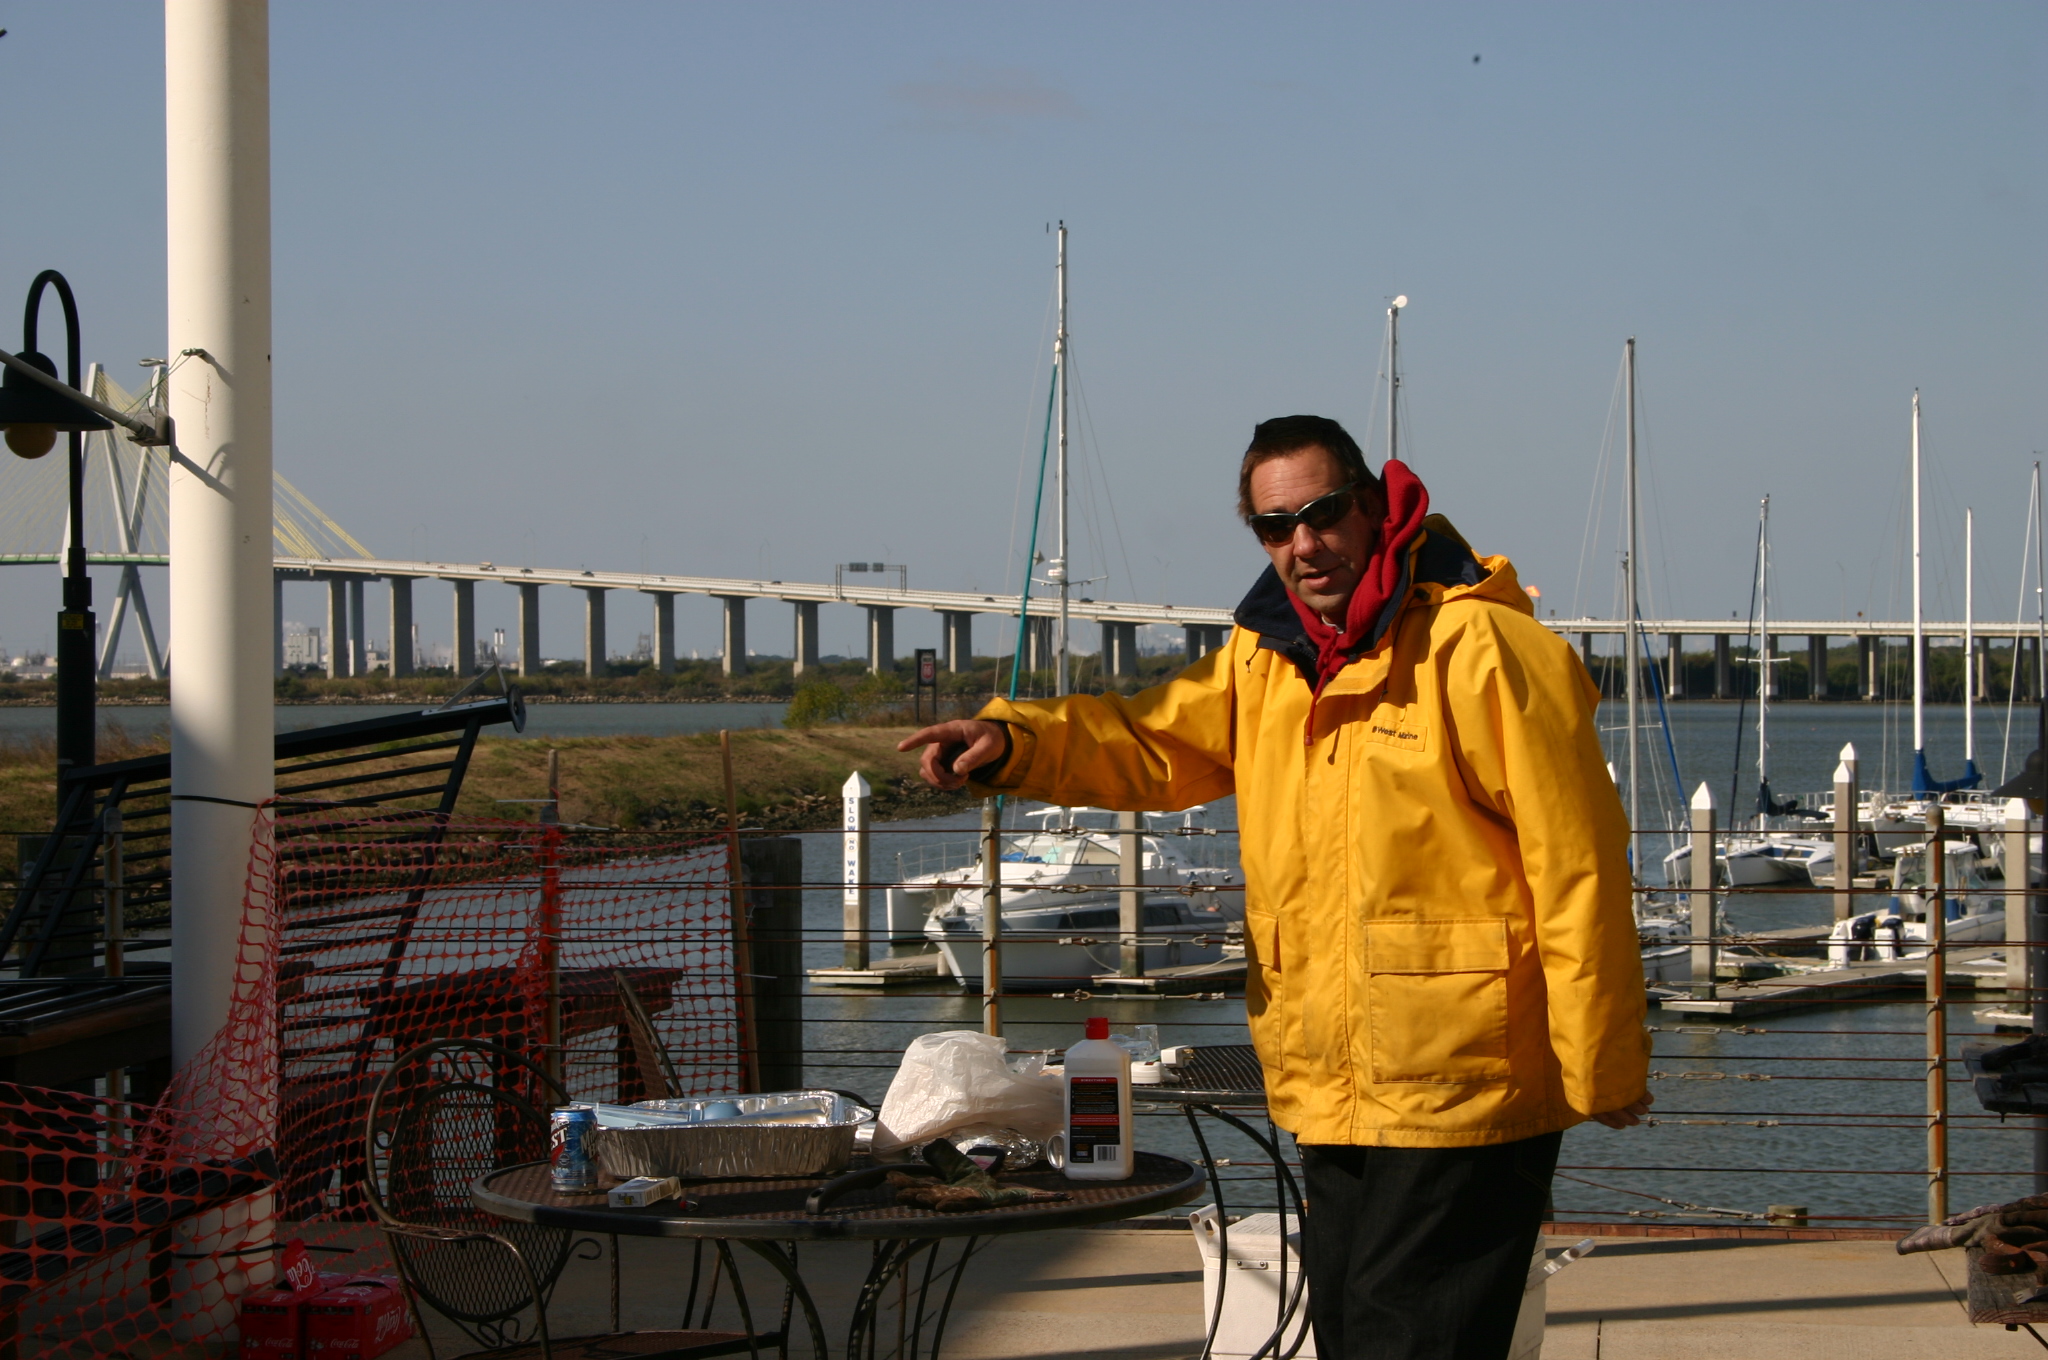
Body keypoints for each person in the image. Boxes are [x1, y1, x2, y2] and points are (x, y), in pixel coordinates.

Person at [900, 414, 1651, 1359]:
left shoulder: (1485, 651)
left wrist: (1601, 1062)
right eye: (1275, 526)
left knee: (1407, 1339)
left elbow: (1577, 866)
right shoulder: (1268, 658)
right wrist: (1014, 743)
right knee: (1350, 1332)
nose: (1304, 543)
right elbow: (1151, 741)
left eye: (1324, 513)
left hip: (1468, 1087)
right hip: (1330, 1086)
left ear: (1374, 508)